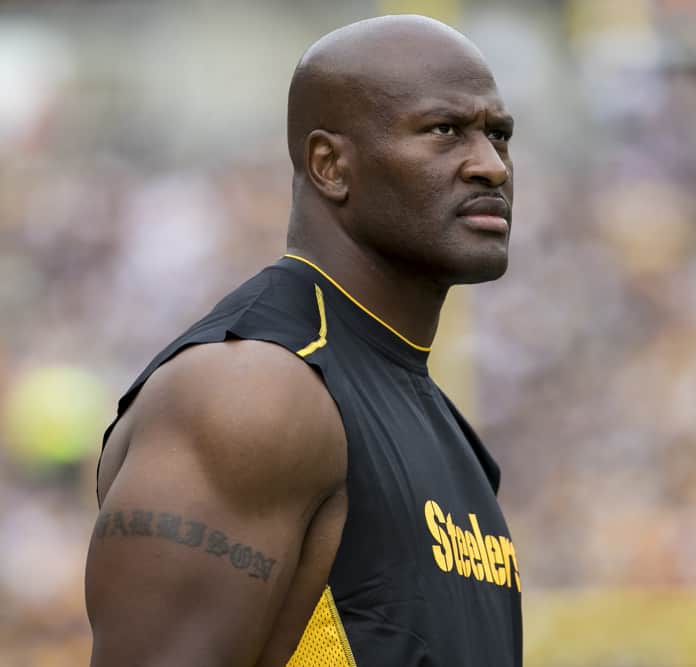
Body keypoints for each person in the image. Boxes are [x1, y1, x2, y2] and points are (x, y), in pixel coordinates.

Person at [85, 14, 521, 667]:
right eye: (443, 131)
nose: (490, 166)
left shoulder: (442, 424)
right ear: (329, 166)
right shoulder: (252, 393)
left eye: (499, 135)